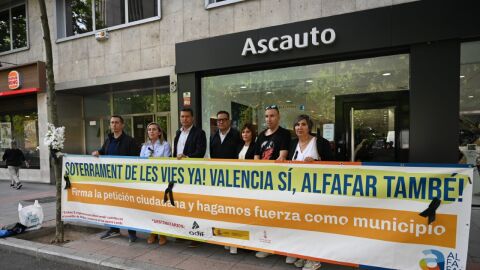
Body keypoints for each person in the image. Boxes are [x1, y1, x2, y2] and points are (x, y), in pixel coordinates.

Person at [286, 115, 334, 270]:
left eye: (303, 124)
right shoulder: (293, 143)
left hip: (316, 192)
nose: (299, 127)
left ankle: (314, 259)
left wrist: (317, 163)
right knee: (300, 225)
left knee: (313, 226)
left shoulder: (320, 142)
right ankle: (303, 255)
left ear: (309, 127)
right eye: (297, 124)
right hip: (297, 192)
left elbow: (334, 163)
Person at [92, 115, 140, 242]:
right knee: (112, 205)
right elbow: (102, 151)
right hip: (110, 181)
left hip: (126, 181)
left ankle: (132, 232)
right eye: (112, 123)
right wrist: (98, 153)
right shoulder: (108, 140)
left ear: (122, 125)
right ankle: (114, 229)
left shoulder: (130, 140)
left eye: (117, 122)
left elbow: (136, 160)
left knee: (128, 206)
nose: (114, 125)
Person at [254, 105, 290, 259]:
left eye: (272, 116)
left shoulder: (284, 134)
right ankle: (267, 246)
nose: (269, 119)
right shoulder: (261, 135)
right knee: (265, 215)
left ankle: (286, 249)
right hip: (262, 181)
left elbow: (282, 156)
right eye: (267, 116)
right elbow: (256, 156)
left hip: (278, 182)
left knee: (280, 216)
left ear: (278, 117)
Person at [173, 108, 206, 248]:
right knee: (181, 204)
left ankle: (196, 235)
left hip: (193, 174)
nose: (184, 119)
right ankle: (183, 232)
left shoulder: (199, 133)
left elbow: (201, 152)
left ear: (192, 118)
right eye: (182, 116)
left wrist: (187, 158)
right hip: (179, 174)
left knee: (194, 205)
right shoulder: (178, 133)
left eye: (187, 116)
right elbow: (175, 153)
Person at [141, 122, 171, 246]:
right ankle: (152, 232)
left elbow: (167, 162)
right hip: (148, 181)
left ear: (159, 132)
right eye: (149, 130)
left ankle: (162, 233)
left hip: (160, 181)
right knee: (151, 207)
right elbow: (140, 162)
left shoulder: (165, 145)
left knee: (160, 208)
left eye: (154, 129)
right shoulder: (144, 146)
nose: (151, 132)